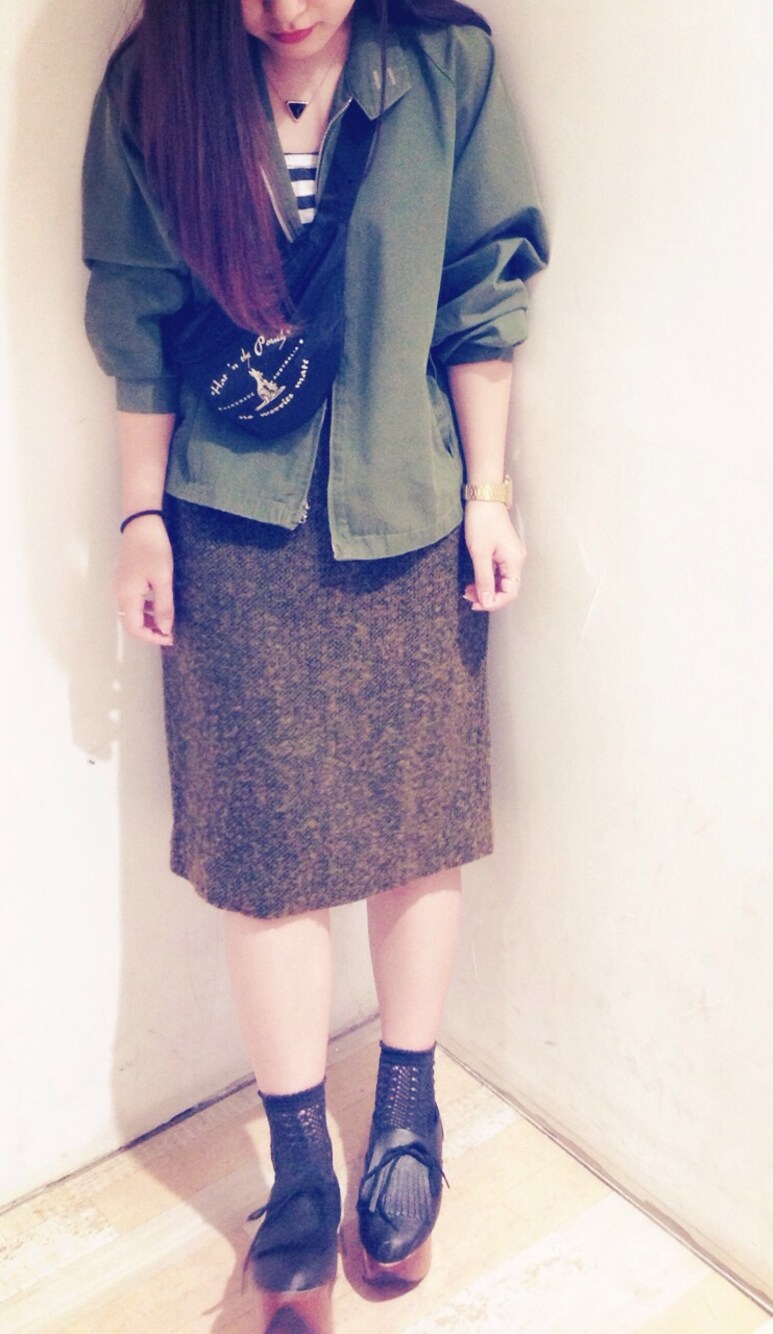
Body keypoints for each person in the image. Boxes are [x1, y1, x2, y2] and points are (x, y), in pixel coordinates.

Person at [82, 0, 548, 1327]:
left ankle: (406, 1115)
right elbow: (137, 316)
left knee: (416, 822)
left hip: (407, 502)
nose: (285, 9)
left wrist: (491, 493)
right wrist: (140, 515)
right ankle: (296, 1161)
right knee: (265, 851)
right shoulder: (157, 86)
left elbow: (482, 293)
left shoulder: (446, 71)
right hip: (231, 520)